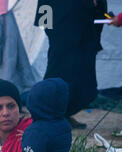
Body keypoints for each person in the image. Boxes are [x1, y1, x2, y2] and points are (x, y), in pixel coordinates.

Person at [35, 0, 107, 129]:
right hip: (62, 27)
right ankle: (47, 115)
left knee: (81, 75)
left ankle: (64, 114)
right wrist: (47, 26)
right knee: (59, 71)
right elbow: (44, 9)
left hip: (84, 29)